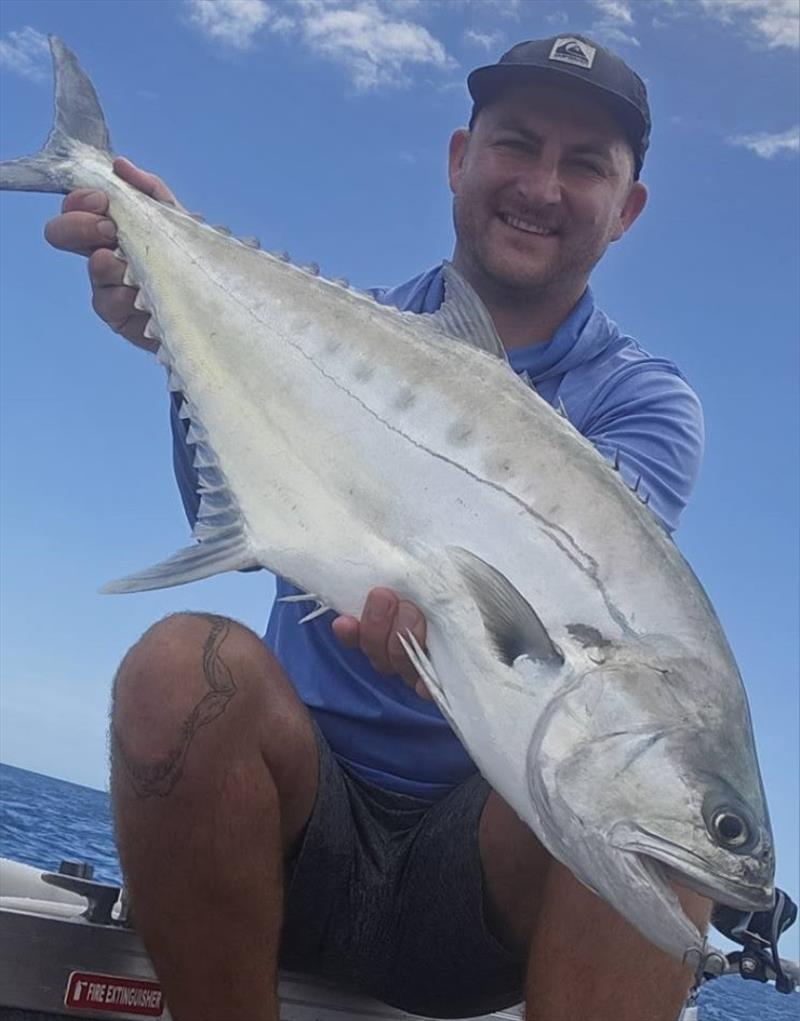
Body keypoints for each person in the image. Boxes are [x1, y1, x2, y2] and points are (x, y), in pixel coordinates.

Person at [45, 34, 710, 1021]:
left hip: (480, 877)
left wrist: (456, 643)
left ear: (627, 209)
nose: (539, 184)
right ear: (456, 157)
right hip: (289, 827)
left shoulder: (642, 403)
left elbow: (576, 636)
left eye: (584, 165)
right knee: (179, 669)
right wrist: (174, 304)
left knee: (665, 830)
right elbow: (228, 514)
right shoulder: (325, 328)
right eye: (514, 144)